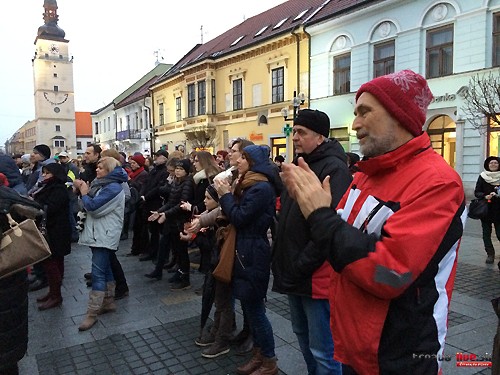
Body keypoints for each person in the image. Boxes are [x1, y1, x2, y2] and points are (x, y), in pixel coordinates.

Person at [281, 70, 465, 375]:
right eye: (355, 113)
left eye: (365, 112)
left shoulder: (439, 183)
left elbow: (390, 273)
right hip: (355, 344)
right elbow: (339, 237)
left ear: (399, 114)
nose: (355, 124)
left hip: (400, 354)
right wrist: (318, 210)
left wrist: (319, 214)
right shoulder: (364, 175)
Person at [272, 109, 351, 375]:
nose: (294, 137)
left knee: (324, 351)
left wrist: (302, 263)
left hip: (316, 276)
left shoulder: (333, 169)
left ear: (320, 137)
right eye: (294, 131)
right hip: (296, 271)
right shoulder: (300, 164)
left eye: (301, 132)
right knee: (303, 338)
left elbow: (329, 225)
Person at [214, 144, 280, 375]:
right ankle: (260, 355)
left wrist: (225, 196)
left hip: (252, 252)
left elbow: (241, 218)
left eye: (243, 157)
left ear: (253, 162)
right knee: (250, 309)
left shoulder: (260, 188)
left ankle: (269, 360)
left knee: (255, 311)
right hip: (245, 249)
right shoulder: (248, 183)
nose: (238, 160)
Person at [74, 157, 128, 331]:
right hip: (100, 232)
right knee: (106, 269)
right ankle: (108, 302)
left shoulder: (112, 187)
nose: (97, 170)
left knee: (98, 273)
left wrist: (83, 192)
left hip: (104, 234)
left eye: (101, 168)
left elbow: (94, 208)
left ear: (110, 171)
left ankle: (92, 314)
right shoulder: (103, 184)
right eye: (97, 167)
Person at [147, 159, 194, 289]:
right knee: (177, 250)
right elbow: (171, 202)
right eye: (177, 168)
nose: (178, 171)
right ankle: (179, 274)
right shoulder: (176, 182)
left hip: (181, 221)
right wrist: (159, 211)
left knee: (182, 251)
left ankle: (185, 279)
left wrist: (166, 214)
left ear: (186, 171)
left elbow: (182, 204)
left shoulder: (188, 182)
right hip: (174, 220)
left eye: (181, 169)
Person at [31, 162, 72, 310]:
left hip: (55, 231)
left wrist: (36, 204)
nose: (44, 175)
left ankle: (56, 295)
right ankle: (53, 292)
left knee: (52, 262)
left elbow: (51, 207)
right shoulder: (47, 186)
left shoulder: (58, 188)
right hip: (51, 230)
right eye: (44, 172)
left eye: (47, 173)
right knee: (53, 262)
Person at [138, 150, 169, 262]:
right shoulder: (154, 170)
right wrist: (142, 194)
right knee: (152, 230)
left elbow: (158, 188)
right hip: (148, 202)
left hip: (157, 202)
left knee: (158, 230)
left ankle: (160, 255)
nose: (155, 158)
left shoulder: (165, 171)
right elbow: (146, 183)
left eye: (158, 156)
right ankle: (152, 252)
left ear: (165, 158)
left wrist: (146, 196)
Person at [473, 156, 500, 264]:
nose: (493, 165)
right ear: (487, 165)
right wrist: (485, 196)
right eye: (491, 163)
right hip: (486, 210)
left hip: (499, 209)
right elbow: (477, 192)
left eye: (495, 163)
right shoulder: (483, 176)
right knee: (486, 233)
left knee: (499, 233)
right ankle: (490, 254)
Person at [126, 153, 149, 256]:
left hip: (140, 205)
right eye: (131, 162)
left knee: (140, 229)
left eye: (134, 163)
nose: (132, 164)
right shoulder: (134, 174)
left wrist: (130, 181)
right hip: (135, 204)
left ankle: (141, 249)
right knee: (136, 229)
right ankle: (135, 249)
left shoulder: (143, 174)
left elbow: (140, 188)